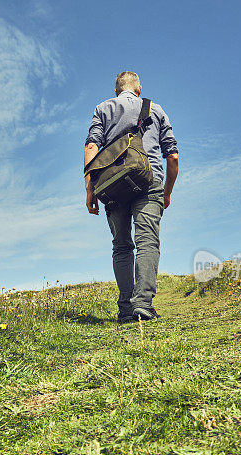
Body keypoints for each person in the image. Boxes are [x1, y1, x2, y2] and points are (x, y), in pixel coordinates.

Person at [83, 71, 179, 324]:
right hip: (149, 182)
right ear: (138, 89)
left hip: (112, 186)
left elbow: (92, 146)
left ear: (116, 91)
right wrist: (166, 191)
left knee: (122, 246)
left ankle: (126, 308)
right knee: (147, 242)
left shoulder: (103, 108)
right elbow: (173, 155)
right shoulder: (155, 109)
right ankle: (143, 305)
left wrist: (89, 189)